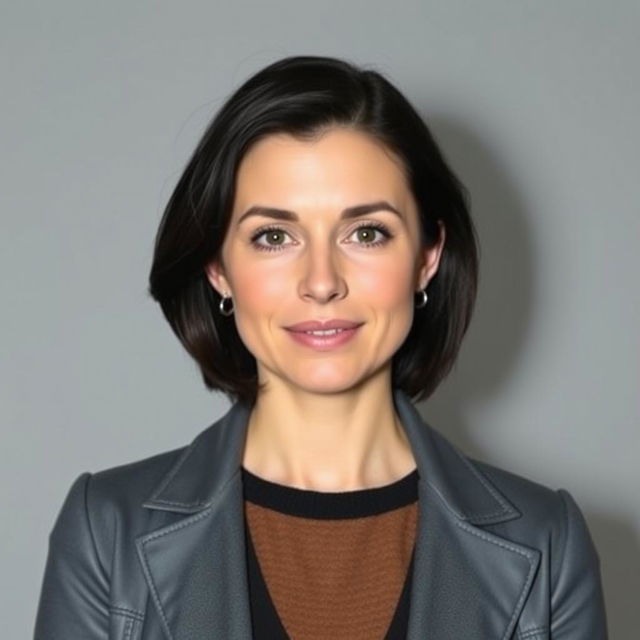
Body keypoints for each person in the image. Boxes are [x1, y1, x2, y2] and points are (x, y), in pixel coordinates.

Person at [33, 55, 607, 640]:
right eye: (274, 237)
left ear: (427, 258)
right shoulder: (107, 532)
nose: (322, 281)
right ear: (217, 267)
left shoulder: (546, 541)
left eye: (366, 233)